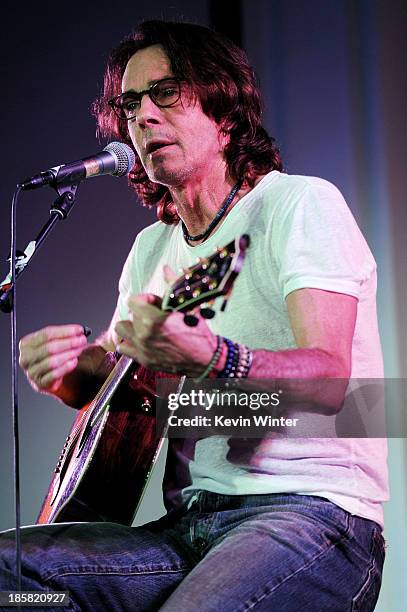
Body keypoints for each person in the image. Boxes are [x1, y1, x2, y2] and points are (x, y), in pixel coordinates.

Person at [0, 20, 388, 612]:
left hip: (310, 517)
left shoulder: (298, 204)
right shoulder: (150, 251)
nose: (143, 118)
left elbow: (331, 382)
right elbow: (129, 393)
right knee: (12, 580)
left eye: (165, 94)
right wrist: (74, 375)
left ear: (226, 114)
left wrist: (214, 356)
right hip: (186, 527)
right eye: (130, 105)